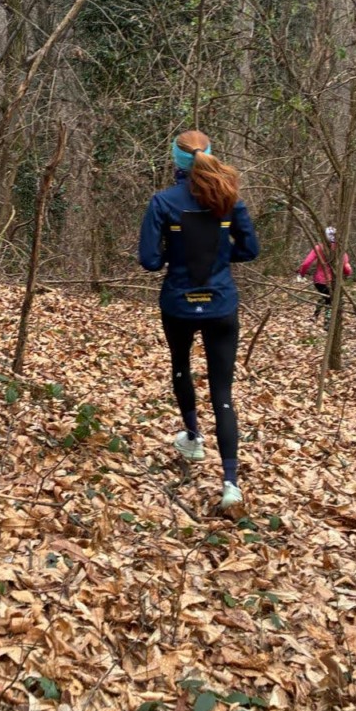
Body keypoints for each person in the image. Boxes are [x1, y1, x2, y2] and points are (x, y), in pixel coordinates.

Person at [138, 129, 260, 513]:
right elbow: (251, 249)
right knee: (223, 393)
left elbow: (148, 259)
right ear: (209, 155)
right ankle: (230, 484)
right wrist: (222, 261)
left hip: (178, 303)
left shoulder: (162, 202)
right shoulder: (229, 199)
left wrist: (171, 261)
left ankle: (192, 438)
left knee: (181, 368)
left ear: (176, 161)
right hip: (222, 304)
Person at [297, 227, 352, 324]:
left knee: (326, 297)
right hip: (333, 281)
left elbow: (306, 263)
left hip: (319, 281)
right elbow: (346, 267)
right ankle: (327, 321)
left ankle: (315, 316)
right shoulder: (340, 250)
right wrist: (347, 274)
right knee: (329, 299)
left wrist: (301, 274)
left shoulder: (319, 248)